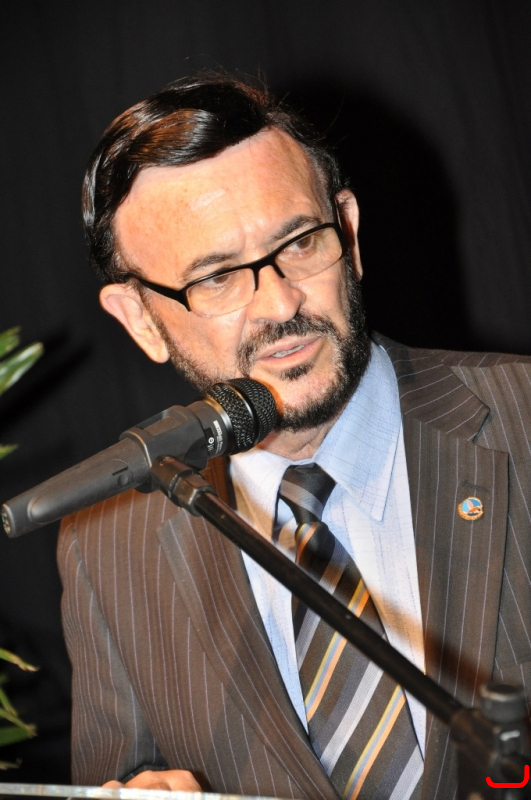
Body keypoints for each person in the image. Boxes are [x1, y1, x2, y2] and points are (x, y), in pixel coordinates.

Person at [58, 73, 531, 800]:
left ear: (349, 230)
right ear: (141, 319)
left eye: (302, 242)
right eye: (217, 278)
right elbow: (114, 779)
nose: (280, 304)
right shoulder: (108, 543)